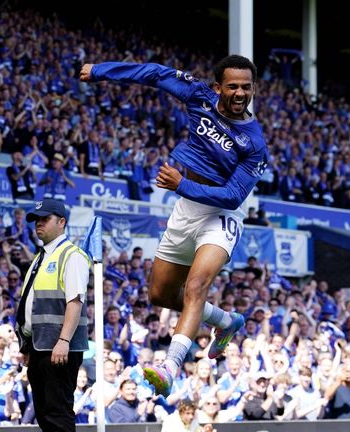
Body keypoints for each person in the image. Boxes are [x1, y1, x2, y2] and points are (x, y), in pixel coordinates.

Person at [81, 54, 268, 397]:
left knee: (196, 286)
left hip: (220, 216)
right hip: (186, 210)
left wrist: (181, 184)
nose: (240, 93)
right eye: (233, 86)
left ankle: (170, 367)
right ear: (218, 87)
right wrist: (101, 71)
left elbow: (232, 196)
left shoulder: (254, 143)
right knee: (161, 295)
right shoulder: (199, 96)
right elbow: (156, 73)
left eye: (246, 87)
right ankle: (225, 321)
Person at [15, 199, 90, 431]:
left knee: (57, 413)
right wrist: (28, 346)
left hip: (58, 347)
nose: (39, 224)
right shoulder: (41, 257)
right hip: (39, 346)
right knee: (45, 414)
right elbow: (32, 306)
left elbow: (75, 302)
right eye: (36, 220)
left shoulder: (72, 255)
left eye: (45, 219)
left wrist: (64, 340)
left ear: (62, 222)